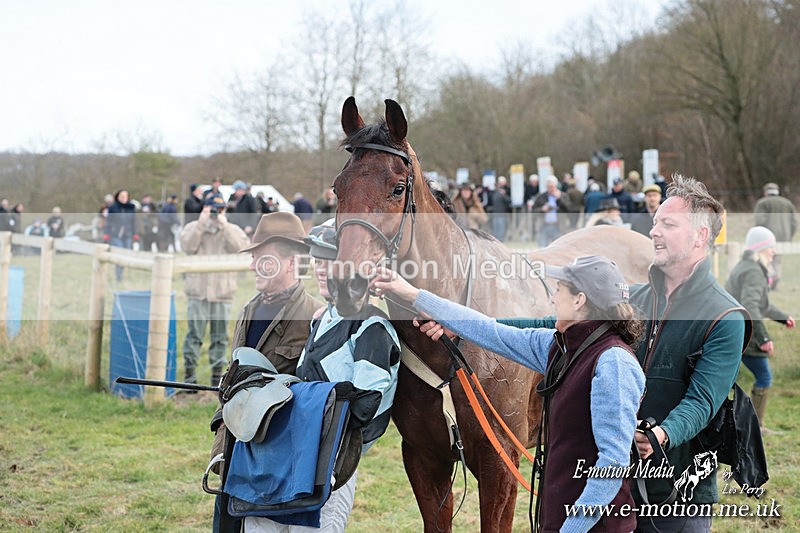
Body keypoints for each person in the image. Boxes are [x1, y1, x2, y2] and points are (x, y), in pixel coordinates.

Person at [370, 255, 645, 533]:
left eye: (559, 290)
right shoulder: (561, 348)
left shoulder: (613, 364)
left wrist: (572, 528)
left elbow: (613, 465)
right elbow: (492, 332)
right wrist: (414, 295)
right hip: (562, 517)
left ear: (579, 301)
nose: (552, 299)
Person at [244, 219, 401, 532]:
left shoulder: (372, 328)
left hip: (333, 462)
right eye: (316, 261)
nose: (319, 269)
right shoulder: (323, 318)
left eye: (329, 261)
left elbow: (364, 407)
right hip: (293, 452)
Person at [630, 175, 748, 532]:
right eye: (655, 223)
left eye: (668, 224)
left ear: (699, 236)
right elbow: (558, 323)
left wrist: (661, 435)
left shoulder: (725, 317)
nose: (654, 232)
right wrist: (464, 320)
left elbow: (702, 402)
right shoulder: (635, 300)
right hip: (619, 488)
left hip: (682, 500)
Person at [210, 211, 321, 532]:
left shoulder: (314, 315)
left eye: (263, 259)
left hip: (278, 459)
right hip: (237, 449)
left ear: (290, 263)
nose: (252, 266)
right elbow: (231, 381)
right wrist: (221, 448)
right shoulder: (248, 310)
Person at [725, 226, 795, 433]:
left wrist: (783, 318)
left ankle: (741, 425)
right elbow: (752, 306)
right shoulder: (754, 271)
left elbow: (761, 304)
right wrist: (764, 338)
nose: (773, 251)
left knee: (728, 380)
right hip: (742, 333)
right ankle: (753, 427)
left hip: (735, 331)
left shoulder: (748, 266)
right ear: (760, 248)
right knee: (764, 376)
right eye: (770, 247)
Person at [179, 194, 250, 387]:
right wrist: (201, 224)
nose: (214, 214)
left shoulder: (232, 230)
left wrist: (225, 225)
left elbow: (241, 249)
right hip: (198, 292)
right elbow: (187, 246)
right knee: (194, 336)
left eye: (219, 210)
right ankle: (189, 378)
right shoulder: (193, 228)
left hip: (222, 293)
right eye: (211, 210)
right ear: (204, 209)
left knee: (220, 338)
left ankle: (215, 379)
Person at [753, 182, 797, 290]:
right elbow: (794, 222)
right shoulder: (788, 203)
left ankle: (771, 277)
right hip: (784, 238)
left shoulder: (762, 203)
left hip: (767, 238)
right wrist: (789, 235)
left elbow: (759, 221)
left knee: (764, 258)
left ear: (765, 192)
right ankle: (775, 280)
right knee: (776, 259)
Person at [104, 190, 137, 281]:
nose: (123, 198)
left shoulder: (131, 208)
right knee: (120, 253)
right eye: (122, 196)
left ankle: (121, 273)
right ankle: (118, 275)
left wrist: (135, 233)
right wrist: (106, 233)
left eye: (125, 196)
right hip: (115, 234)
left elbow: (133, 222)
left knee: (126, 254)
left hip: (127, 234)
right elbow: (108, 222)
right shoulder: (113, 208)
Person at [532, 176, 571, 247]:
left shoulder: (563, 196)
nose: (551, 189)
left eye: (552, 186)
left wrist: (559, 199)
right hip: (544, 226)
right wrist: (542, 209)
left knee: (558, 248)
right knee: (542, 247)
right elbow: (534, 211)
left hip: (558, 226)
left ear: (556, 186)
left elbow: (568, 209)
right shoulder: (541, 197)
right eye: (549, 187)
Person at [489, 176, 512, 241]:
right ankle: (495, 242)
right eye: (500, 183)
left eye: (503, 182)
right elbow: (490, 201)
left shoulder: (507, 190)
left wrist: (504, 194)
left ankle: (500, 242)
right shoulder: (494, 192)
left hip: (502, 214)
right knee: (495, 229)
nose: (501, 184)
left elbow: (509, 201)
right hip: (495, 214)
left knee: (501, 229)